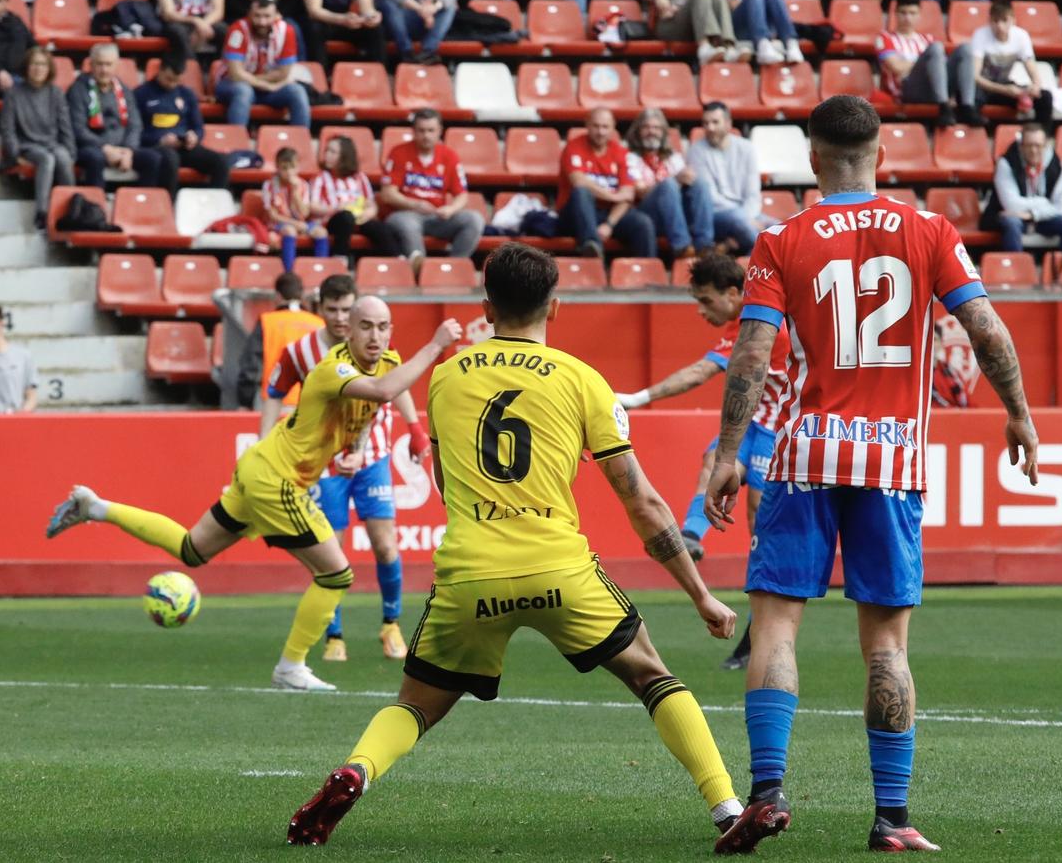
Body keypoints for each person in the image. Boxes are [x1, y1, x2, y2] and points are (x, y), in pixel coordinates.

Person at [287, 243, 743, 847]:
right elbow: (644, 502)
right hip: (559, 567)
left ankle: (356, 771)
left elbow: (450, 484)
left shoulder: (446, 377)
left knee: (417, 706)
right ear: (554, 306)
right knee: (653, 677)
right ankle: (729, 808)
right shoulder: (584, 380)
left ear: (485, 306)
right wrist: (701, 595)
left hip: (472, 570)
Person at [708, 94, 1037, 854]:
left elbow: (753, 356)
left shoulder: (781, 238)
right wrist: (1017, 410)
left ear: (813, 157)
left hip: (806, 455)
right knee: (887, 646)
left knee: (779, 625)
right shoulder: (929, 230)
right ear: (880, 151)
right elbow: (984, 326)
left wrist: (729, 453)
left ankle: (766, 792)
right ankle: (891, 817)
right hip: (892, 460)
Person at [50, 299, 461, 692]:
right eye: (365, 326)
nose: (375, 335)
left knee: (192, 550)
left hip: (261, 469)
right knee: (337, 575)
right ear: (347, 331)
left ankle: (95, 506)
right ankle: (291, 666)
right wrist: (436, 344)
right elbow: (384, 391)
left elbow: (374, 402)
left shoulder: (384, 364)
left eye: (383, 326)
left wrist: (352, 453)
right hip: (277, 481)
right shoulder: (332, 369)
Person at [614, 253, 792, 657]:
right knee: (712, 462)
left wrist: (639, 397)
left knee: (759, 528)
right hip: (752, 426)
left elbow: (700, 371)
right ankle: (692, 535)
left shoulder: (762, 318)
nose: (699, 310)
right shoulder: (740, 321)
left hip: (781, 431)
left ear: (733, 293)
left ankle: (758, 631)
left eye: (706, 300)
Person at [259, 273, 422, 663]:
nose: (339, 317)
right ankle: (334, 635)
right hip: (325, 466)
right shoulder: (302, 352)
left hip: (373, 457)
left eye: (346, 309)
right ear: (320, 310)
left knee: (385, 545)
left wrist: (415, 426)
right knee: (334, 552)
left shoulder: (375, 342)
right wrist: (265, 443)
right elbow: (274, 391)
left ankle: (391, 625)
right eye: (331, 309)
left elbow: (393, 384)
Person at [380, 109, 481, 269]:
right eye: (421, 130)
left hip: (437, 216)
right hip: (405, 214)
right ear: (413, 131)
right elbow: (387, 194)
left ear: (440, 131)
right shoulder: (398, 153)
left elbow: (462, 195)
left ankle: (454, 267)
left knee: (474, 219)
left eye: (431, 130)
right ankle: (421, 269)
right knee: (407, 224)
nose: (426, 135)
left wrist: (451, 209)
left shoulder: (450, 156)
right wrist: (415, 205)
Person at [69, 42, 167, 192]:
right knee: (95, 158)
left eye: (108, 64)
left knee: (152, 158)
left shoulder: (124, 89)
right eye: (99, 64)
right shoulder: (78, 89)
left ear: (116, 65)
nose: (104, 70)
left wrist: (128, 150)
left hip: (123, 148)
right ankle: (96, 207)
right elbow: (78, 129)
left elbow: (135, 125)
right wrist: (106, 148)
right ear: (91, 64)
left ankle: (141, 205)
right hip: (92, 148)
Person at [558, 108, 654, 259]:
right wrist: (612, 196)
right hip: (575, 214)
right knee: (582, 192)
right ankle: (592, 248)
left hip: (608, 215)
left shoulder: (621, 152)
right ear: (587, 125)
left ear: (613, 128)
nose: (600, 132)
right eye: (596, 126)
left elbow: (627, 195)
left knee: (643, 222)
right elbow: (579, 181)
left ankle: (648, 272)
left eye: (605, 127)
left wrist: (609, 224)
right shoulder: (573, 147)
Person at [625, 107, 718, 260]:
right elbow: (639, 192)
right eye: (646, 127)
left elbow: (686, 181)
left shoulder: (673, 157)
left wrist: (687, 178)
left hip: (676, 214)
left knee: (700, 183)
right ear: (638, 131)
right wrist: (674, 180)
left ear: (663, 132)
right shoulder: (630, 157)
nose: (651, 131)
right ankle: (681, 246)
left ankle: (704, 245)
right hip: (647, 215)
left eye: (656, 128)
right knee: (668, 185)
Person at [1, 45, 76, 229]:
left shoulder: (56, 93)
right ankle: (41, 213)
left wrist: (72, 153)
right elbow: (7, 129)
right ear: (27, 67)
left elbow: (66, 127)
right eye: (34, 64)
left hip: (51, 143)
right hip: (27, 146)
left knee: (64, 156)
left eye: (43, 64)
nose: (38, 68)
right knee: (46, 158)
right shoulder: (13, 94)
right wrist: (15, 154)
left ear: (49, 68)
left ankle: (72, 209)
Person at [133, 54, 230, 195]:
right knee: (171, 159)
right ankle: (169, 207)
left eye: (176, 80)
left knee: (220, 161)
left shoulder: (187, 94)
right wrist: (159, 140)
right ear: (160, 71)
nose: (172, 84)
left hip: (184, 146)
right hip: (157, 146)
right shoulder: (141, 94)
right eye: (168, 79)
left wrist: (194, 137)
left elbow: (198, 127)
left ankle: (211, 204)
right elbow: (135, 131)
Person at [215, 0, 311, 128]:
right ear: (249, 14)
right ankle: (236, 142)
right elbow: (235, 74)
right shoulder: (237, 30)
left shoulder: (287, 31)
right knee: (243, 91)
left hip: (268, 87)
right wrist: (265, 85)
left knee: (297, 91)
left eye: (267, 16)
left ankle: (300, 143)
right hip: (232, 84)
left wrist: (260, 83)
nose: (262, 22)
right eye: (257, 16)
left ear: (277, 15)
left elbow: (283, 73)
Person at [981, 122, 1062, 252]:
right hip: (1011, 219)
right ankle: (1016, 270)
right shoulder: (1006, 163)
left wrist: (1033, 214)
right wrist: (1045, 202)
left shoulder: (1055, 164)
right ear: (1021, 146)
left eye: (1038, 146)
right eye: (1029, 146)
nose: (1034, 151)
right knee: (1012, 222)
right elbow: (1011, 206)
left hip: (1040, 219)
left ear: (1046, 145)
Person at [686, 103, 766, 251]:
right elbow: (710, 197)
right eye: (706, 123)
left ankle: (750, 262)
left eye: (715, 122)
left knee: (781, 228)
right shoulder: (696, 151)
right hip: (715, 215)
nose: (710, 128)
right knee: (747, 227)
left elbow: (753, 193)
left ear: (729, 123)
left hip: (746, 213)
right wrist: (745, 219)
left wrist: (748, 217)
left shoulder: (747, 148)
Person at [312, 136, 401, 264]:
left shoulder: (359, 177)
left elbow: (371, 204)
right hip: (333, 220)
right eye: (326, 151)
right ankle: (340, 258)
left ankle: (398, 260)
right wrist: (336, 208)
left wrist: (369, 213)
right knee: (345, 217)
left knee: (379, 227)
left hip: (359, 219)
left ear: (345, 156)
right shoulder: (320, 177)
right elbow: (312, 206)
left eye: (332, 152)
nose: (327, 155)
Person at [959, 0, 1049, 123]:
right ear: (990, 21)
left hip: (1004, 86)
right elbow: (975, 76)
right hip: (984, 87)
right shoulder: (980, 35)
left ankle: (1041, 135)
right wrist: (1005, 90)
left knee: (1045, 97)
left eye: (1004, 21)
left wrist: (1035, 87)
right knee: (970, 101)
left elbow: (1031, 67)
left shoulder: (1021, 36)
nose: (1000, 26)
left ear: (1013, 20)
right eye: (995, 21)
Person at [876, 0, 961, 123]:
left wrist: (911, 63)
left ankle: (967, 106)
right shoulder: (885, 38)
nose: (907, 18)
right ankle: (944, 105)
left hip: (930, 89)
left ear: (919, 15)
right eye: (903, 13)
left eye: (912, 13)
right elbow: (897, 67)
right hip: (905, 91)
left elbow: (941, 69)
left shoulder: (928, 39)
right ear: (895, 14)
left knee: (965, 50)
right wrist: (925, 61)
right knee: (936, 48)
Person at [267, 147, 331, 270]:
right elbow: (273, 215)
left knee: (321, 232)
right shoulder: (270, 185)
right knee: (290, 230)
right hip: (279, 224)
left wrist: (296, 194)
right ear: (278, 168)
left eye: (292, 168)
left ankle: (320, 270)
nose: (289, 172)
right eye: (284, 168)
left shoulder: (303, 185)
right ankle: (289, 271)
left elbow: (305, 213)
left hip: (301, 222)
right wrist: (295, 224)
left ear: (298, 167)